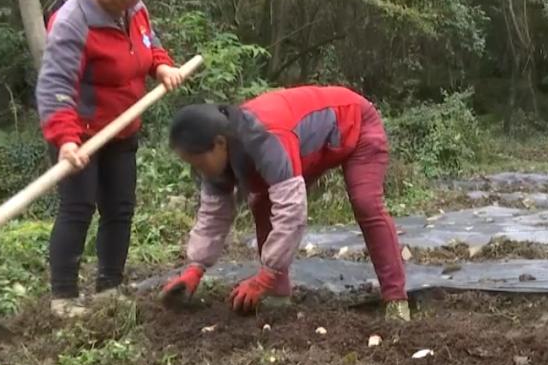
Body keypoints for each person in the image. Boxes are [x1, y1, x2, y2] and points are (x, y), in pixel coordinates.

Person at [159, 86, 412, 321]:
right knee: (262, 203)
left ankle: (396, 299)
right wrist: (196, 268)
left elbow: (291, 209)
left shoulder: (265, 137)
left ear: (220, 144)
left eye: (198, 162)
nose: (197, 170)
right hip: (308, 149)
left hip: (356, 123)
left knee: (366, 203)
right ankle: (278, 296)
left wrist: (264, 276)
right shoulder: (222, 153)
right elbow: (213, 215)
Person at [36, 0, 184, 317]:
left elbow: (148, 43)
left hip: (122, 127)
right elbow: (56, 87)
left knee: (120, 208)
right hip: (79, 134)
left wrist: (161, 65)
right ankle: (64, 297)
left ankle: (109, 287)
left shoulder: (134, 8)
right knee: (78, 207)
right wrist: (67, 141)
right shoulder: (72, 22)